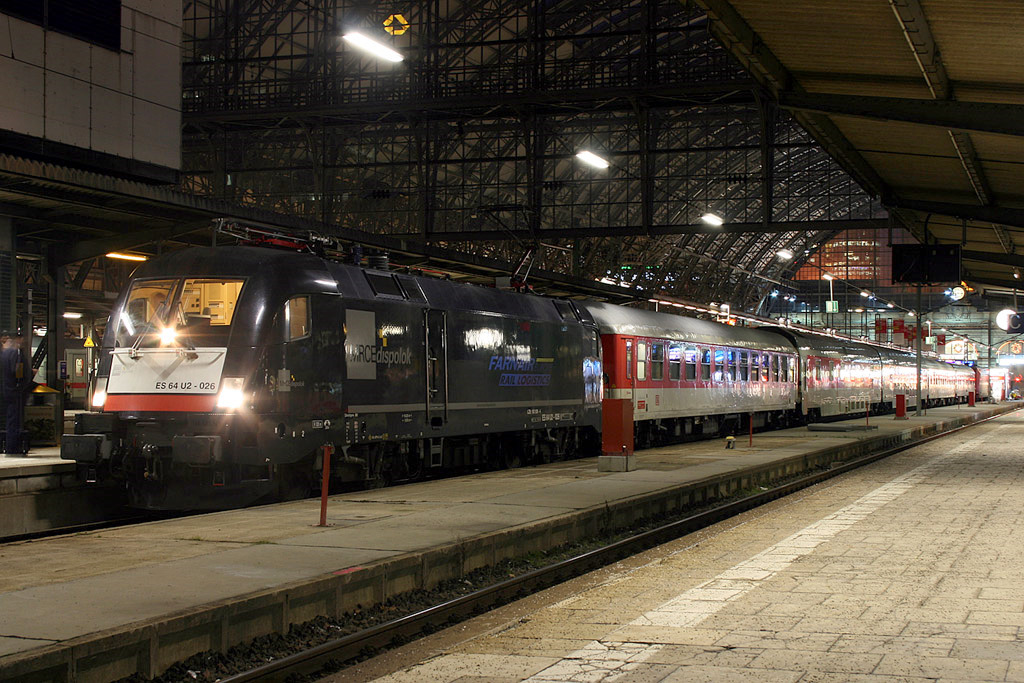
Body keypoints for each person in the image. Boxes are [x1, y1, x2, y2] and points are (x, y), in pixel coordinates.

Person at [1, 331, 29, 455]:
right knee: (14, 420)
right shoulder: (15, 353)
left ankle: (10, 446)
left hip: (6, 390)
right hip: (15, 391)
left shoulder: (3, 353)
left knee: (10, 418)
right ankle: (13, 447)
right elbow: (17, 371)